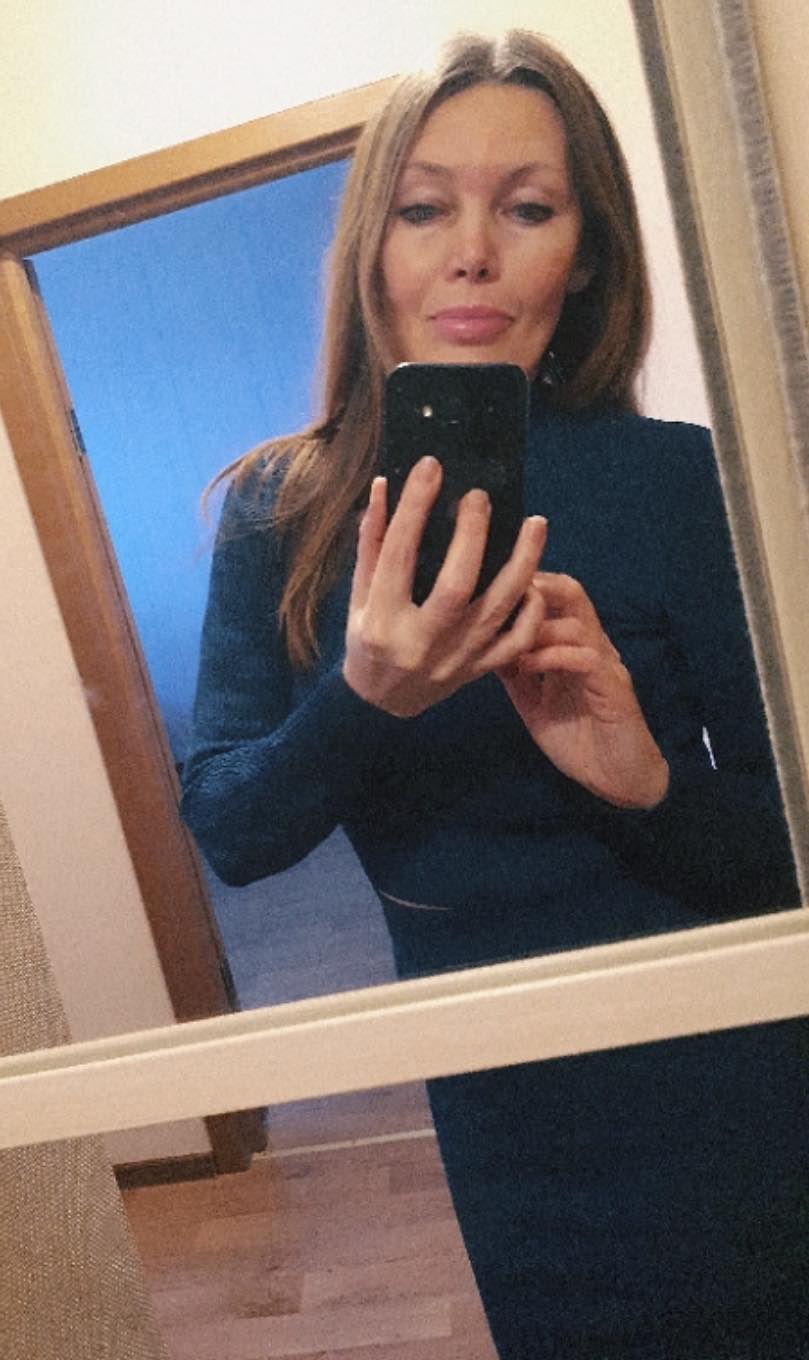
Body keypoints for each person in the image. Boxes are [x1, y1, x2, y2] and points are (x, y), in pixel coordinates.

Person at [181, 30, 807, 1360]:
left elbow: (787, 863)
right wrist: (364, 696)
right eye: (424, 208)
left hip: (721, 1054)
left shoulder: (678, 480)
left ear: (584, 256)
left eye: (527, 209)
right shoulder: (282, 509)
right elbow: (233, 830)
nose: (471, 253)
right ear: (373, 247)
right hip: (496, 1082)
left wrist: (645, 779)